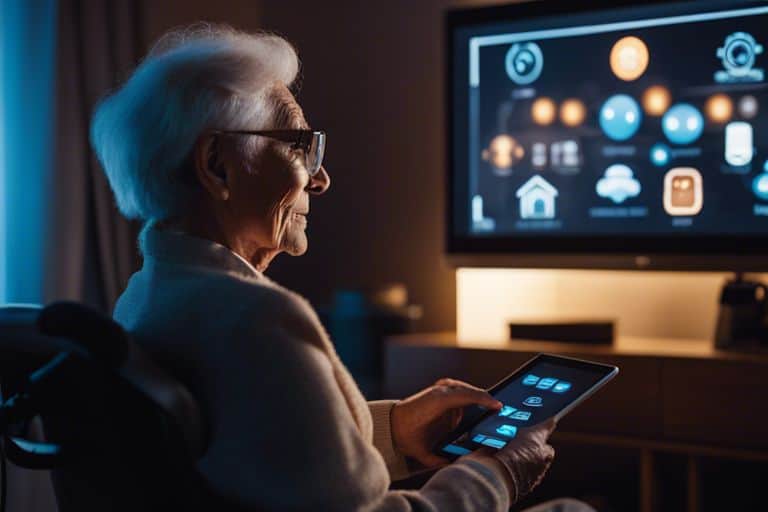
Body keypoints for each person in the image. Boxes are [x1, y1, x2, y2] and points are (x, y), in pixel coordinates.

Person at [92, 23, 556, 511]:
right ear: (217, 164)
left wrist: (394, 431)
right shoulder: (255, 321)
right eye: (300, 147)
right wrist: (495, 473)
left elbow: (263, 454)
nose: (322, 180)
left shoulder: (144, 298)